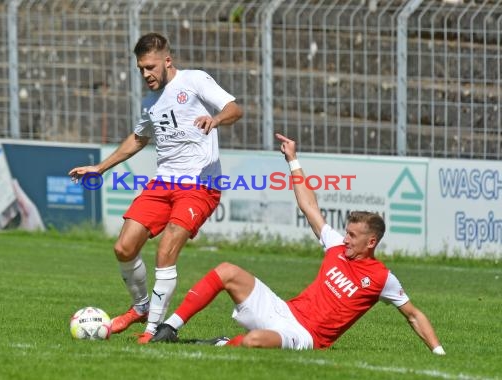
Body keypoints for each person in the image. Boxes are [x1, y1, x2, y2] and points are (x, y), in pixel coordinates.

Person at [149, 133, 446, 355]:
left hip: (305, 336)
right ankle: (169, 328)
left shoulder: (382, 278)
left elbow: (414, 314)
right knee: (227, 270)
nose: (345, 238)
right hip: (283, 310)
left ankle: (220, 346)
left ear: (371, 242)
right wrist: (293, 159)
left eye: (353, 236)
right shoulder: (336, 248)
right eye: (346, 232)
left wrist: (438, 352)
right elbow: (309, 206)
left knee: (253, 342)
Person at [68, 32, 243, 344]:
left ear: (167, 60)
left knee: (165, 251)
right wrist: (99, 167)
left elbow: (234, 109)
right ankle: (141, 307)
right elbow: (138, 138)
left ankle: (152, 332)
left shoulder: (194, 80)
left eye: (150, 67)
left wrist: (215, 120)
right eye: (140, 69)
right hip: (163, 183)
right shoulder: (150, 103)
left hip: (200, 185)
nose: (146, 74)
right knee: (123, 248)